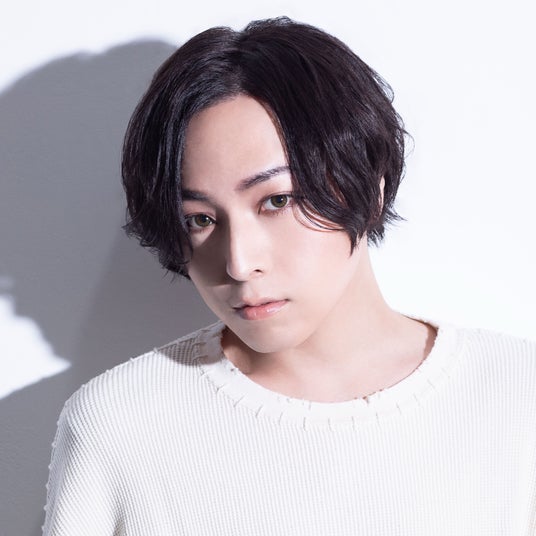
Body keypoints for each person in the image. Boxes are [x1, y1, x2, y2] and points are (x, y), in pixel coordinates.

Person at [43, 17, 536, 535]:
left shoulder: (517, 396)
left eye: (277, 201)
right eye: (200, 219)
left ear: (370, 187)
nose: (238, 263)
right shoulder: (120, 425)